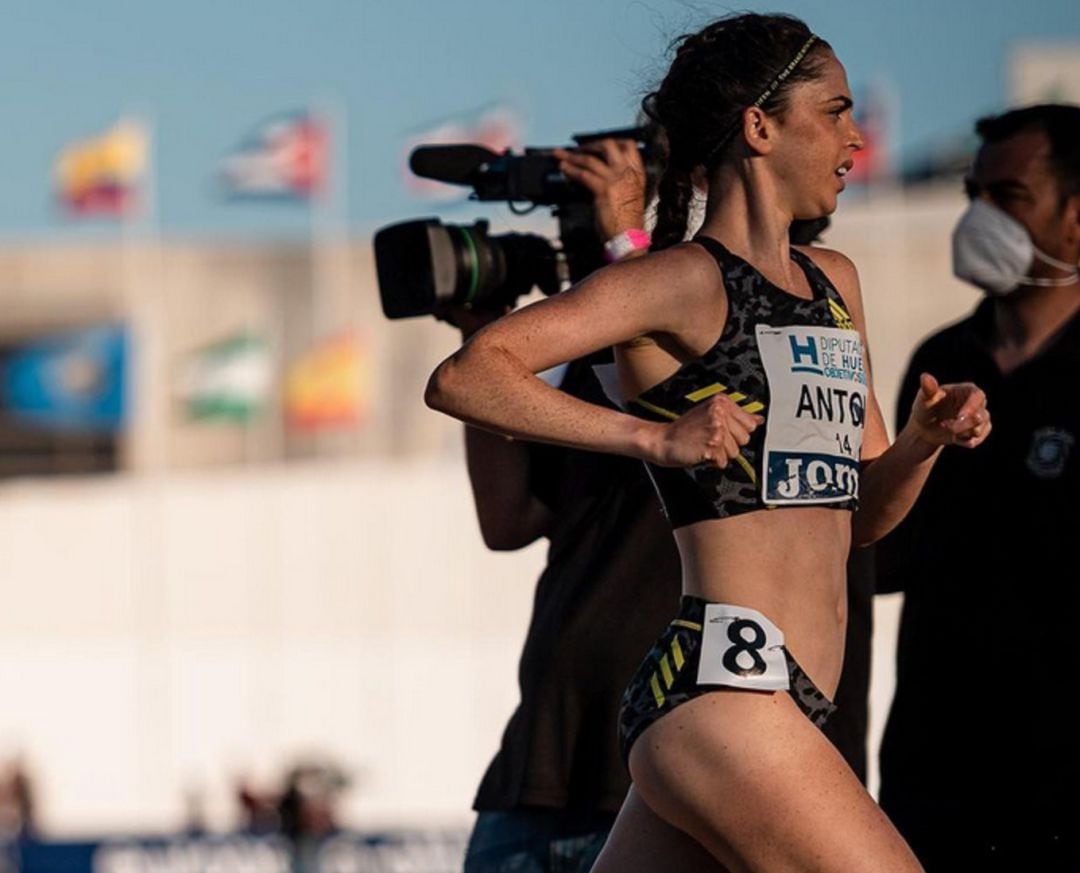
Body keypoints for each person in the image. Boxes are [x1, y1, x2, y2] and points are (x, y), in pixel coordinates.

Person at [427, 13, 992, 870]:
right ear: (761, 127)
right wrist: (649, 438)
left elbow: (862, 519)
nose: (856, 135)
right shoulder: (679, 280)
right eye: (836, 111)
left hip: (787, 706)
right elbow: (466, 375)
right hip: (730, 692)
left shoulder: (834, 283)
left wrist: (920, 441)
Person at [452, 137, 684, 873]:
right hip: (538, 771)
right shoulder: (593, 360)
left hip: (655, 779)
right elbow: (508, 519)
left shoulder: (720, 320)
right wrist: (477, 331)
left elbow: (702, 400)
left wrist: (626, 239)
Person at [877, 103, 1080, 871]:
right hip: (936, 779)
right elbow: (886, 550)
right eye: (973, 193)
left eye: (1009, 197)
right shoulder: (943, 359)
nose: (979, 215)